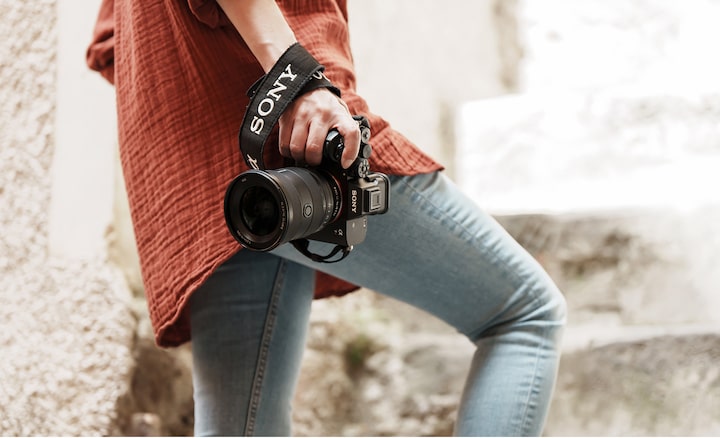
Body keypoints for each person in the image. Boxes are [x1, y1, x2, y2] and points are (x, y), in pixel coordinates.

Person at [87, 0, 567, 435]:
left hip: (204, 176)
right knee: (524, 314)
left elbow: (109, 42)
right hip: (302, 132)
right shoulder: (295, 94)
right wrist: (295, 80)